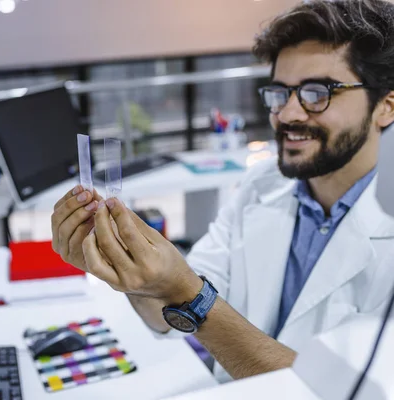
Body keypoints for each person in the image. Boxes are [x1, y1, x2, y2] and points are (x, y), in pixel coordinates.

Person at [51, 0, 394, 383]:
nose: (288, 114)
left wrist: (186, 293)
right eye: (280, 93)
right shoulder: (262, 184)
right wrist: (131, 271)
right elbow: (171, 317)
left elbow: (344, 390)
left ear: (386, 106)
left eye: (318, 93)